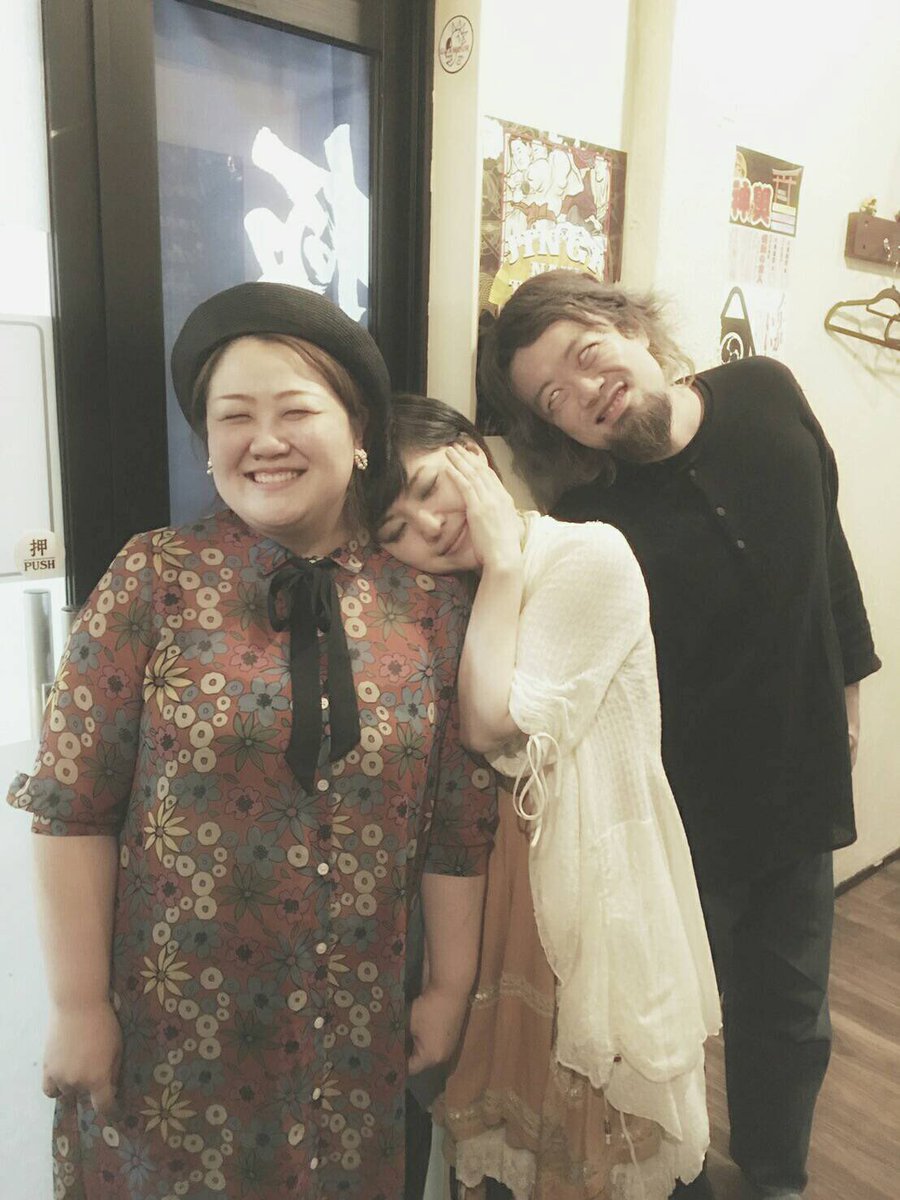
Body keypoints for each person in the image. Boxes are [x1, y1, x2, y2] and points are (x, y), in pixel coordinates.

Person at [7, 283, 496, 1200]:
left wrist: (447, 988)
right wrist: (77, 1005)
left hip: (358, 1035)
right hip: (170, 1032)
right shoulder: (153, 577)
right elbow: (73, 807)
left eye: (295, 411)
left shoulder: (428, 605)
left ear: (359, 431)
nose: (264, 440)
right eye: (234, 417)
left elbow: (457, 827)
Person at [478, 269, 882, 1200]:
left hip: (799, 784)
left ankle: (777, 1179)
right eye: (555, 400)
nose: (587, 392)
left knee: (790, 1015)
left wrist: (849, 693)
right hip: (675, 817)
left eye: (588, 355)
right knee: (665, 1025)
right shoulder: (585, 523)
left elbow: (828, 549)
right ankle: (680, 1176)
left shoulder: (767, 392)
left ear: (629, 324)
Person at [372, 394, 721, 1200]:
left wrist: (502, 565)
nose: (428, 527)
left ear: (472, 453)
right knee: (506, 1141)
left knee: (611, 1136)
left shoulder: (586, 555)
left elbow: (491, 723)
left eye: (429, 488)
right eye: (394, 529)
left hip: (589, 889)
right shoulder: (437, 602)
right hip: (488, 893)